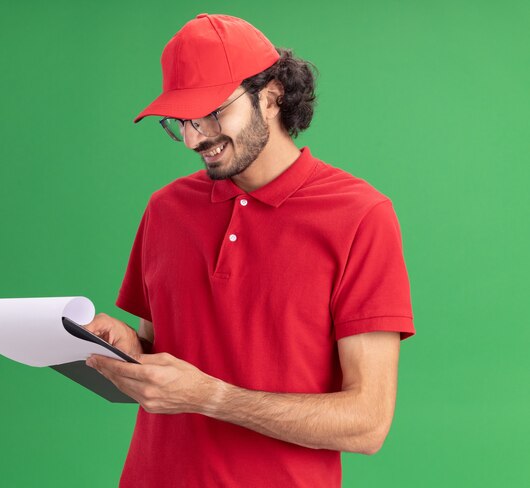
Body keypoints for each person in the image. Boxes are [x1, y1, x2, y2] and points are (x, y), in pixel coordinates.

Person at [84, 13, 415, 488]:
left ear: (272, 95)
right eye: (181, 121)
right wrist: (127, 351)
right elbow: (166, 355)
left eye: (213, 112)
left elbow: (367, 422)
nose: (196, 138)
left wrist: (212, 397)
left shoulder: (360, 216)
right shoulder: (166, 210)